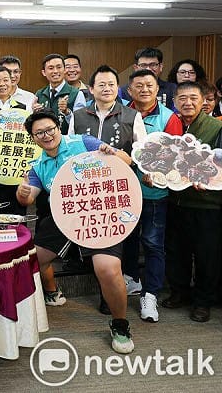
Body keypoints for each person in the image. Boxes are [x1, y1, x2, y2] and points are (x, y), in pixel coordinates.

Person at [16, 109, 135, 354]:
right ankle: (50, 293)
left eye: (50, 129)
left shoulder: (83, 142)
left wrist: (112, 153)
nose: (46, 135)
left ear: (58, 128)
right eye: (39, 133)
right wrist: (23, 192)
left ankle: (120, 325)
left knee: (107, 268)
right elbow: (29, 198)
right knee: (31, 260)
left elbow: (127, 160)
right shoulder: (37, 165)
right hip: (64, 216)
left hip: (99, 213)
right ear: (33, 138)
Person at [68, 65, 147, 315]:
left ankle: (108, 296)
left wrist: (126, 159)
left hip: (118, 190)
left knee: (114, 240)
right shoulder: (78, 116)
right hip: (86, 188)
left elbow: (141, 155)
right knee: (92, 236)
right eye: (101, 84)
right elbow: (70, 149)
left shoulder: (132, 116)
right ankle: (103, 287)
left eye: (111, 84)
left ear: (117, 88)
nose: (107, 88)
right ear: (91, 89)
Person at [161, 82, 222, 323]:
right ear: (175, 101)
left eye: (194, 98)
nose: (188, 103)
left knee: (207, 254)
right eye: (183, 98)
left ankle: (203, 301)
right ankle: (180, 293)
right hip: (175, 200)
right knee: (177, 251)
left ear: (204, 100)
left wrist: (207, 178)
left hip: (206, 203)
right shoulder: (172, 126)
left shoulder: (216, 127)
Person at [126, 69, 183, 322]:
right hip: (125, 192)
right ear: (130, 90)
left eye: (149, 85)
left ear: (158, 89)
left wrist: (158, 173)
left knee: (152, 243)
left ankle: (150, 294)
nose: (144, 89)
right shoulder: (123, 113)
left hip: (154, 193)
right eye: (139, 85)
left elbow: (176, 156)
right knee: (127, 239)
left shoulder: (169, 118)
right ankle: (131, 279)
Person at [0, 66, 29, 216]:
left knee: (14, 212)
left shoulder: (22, 108)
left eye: (5, 80)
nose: (2, 84)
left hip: (14, 167)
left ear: (12, 82)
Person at [33, 54, 86, 134]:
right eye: (51, 68)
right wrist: (34, 114)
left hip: (67, 140)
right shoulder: (39, 94)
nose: (55, 71)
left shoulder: (77, 94)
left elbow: (80, 124)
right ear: (44, 72)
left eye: (59, 67)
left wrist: (66, 112)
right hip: (44, 140)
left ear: (64, 70)